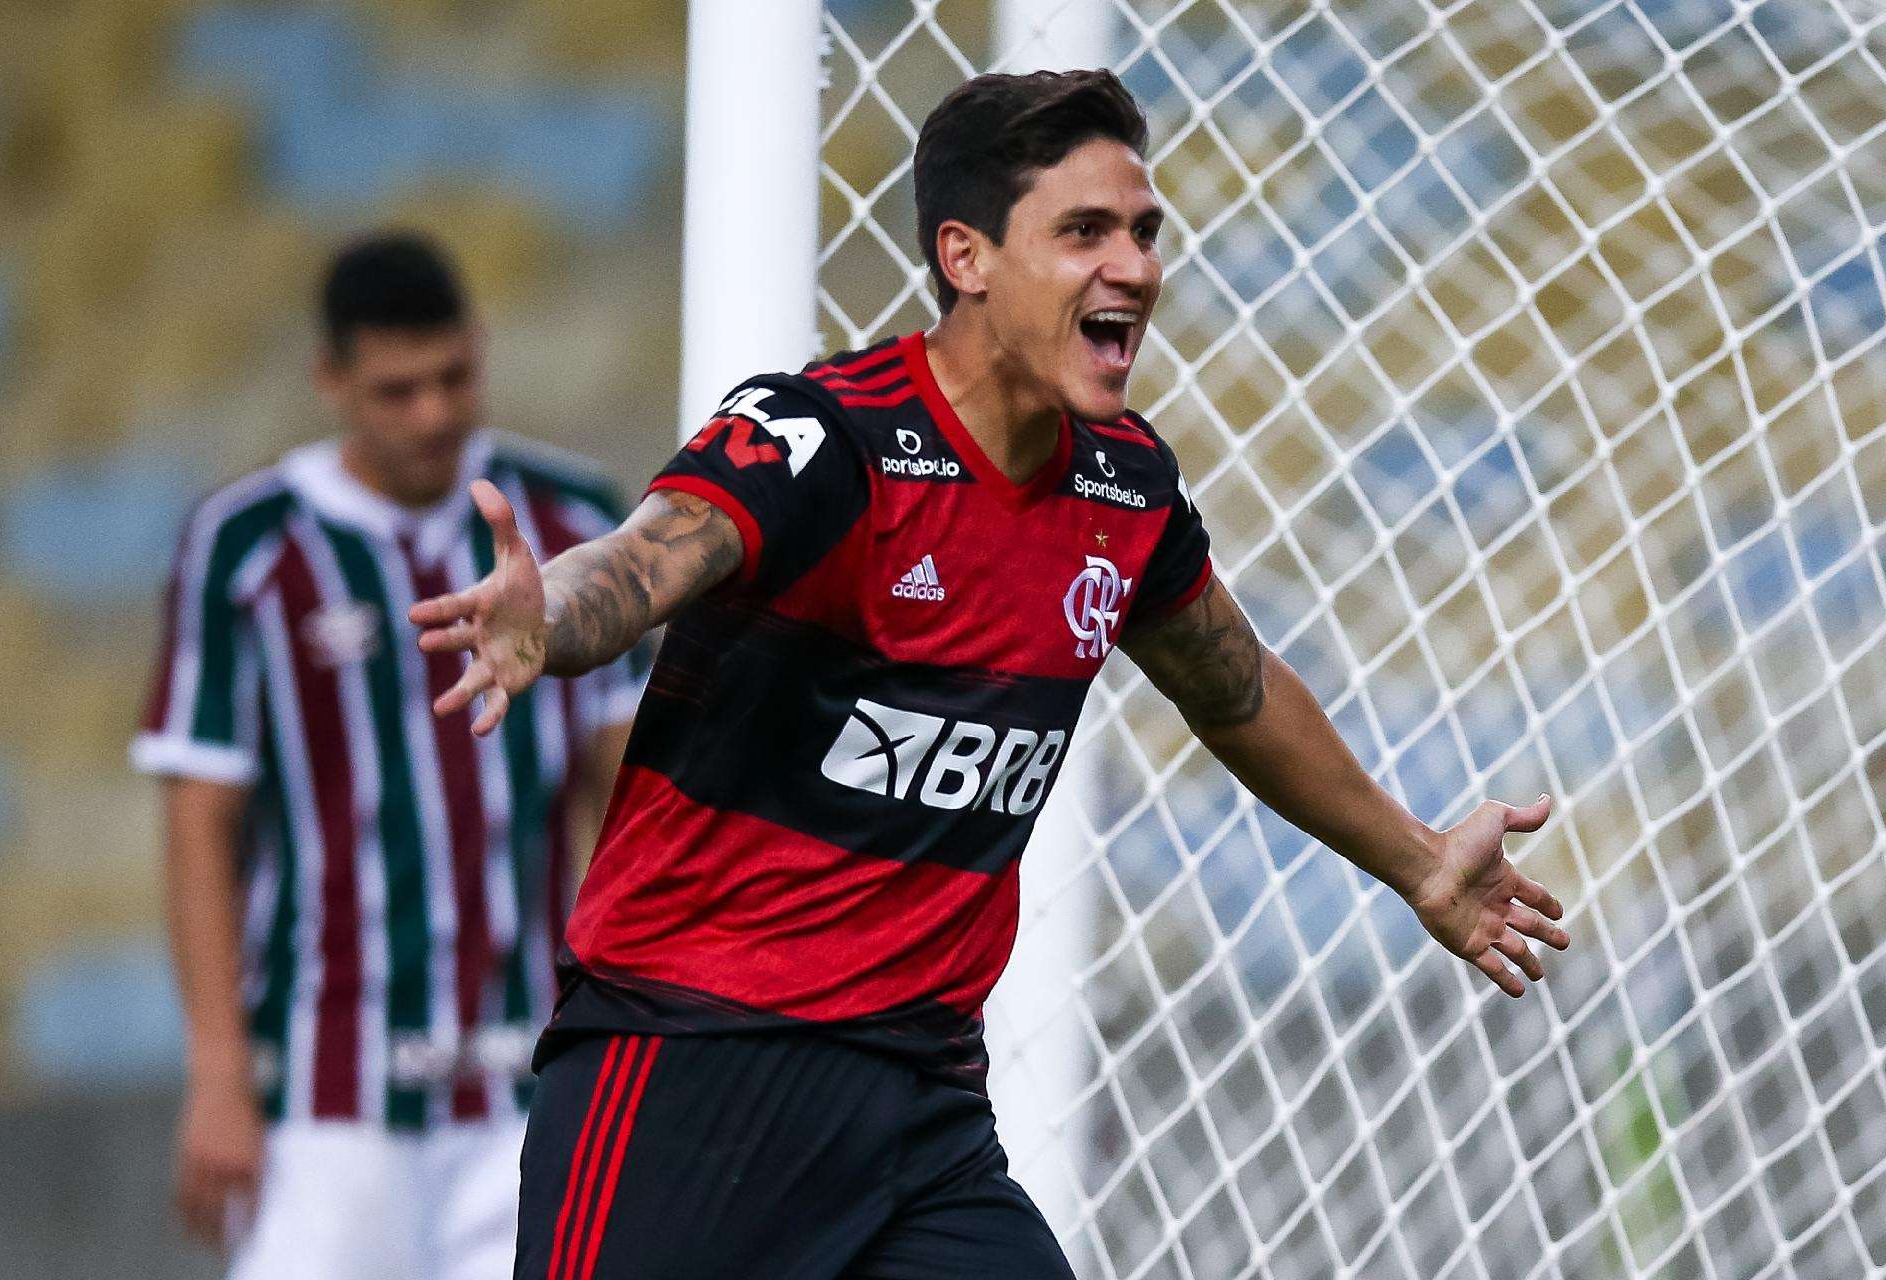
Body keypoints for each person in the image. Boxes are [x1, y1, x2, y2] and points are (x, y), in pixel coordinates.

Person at [413, 71, 1571, 1279]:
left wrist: (1420, 858)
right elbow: (647, 558)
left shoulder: (1125, 488)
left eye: (1144, 231)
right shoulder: (831, 440)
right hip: (691, 1068)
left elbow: (1232, 686)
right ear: (965, 255)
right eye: (1084, 232)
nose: (1134, 266)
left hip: (920, 1108)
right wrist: (553, 613)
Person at [133, 232, 645, 1280]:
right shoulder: (249, 545)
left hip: (528, 1078)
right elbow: (200, 821)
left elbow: (629, 783)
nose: (433, 414)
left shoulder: (566, 517)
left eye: (453, 377)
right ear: (332, 379)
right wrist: (219, 1070)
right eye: (397, 389)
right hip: (327, 1098)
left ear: (481, 350)